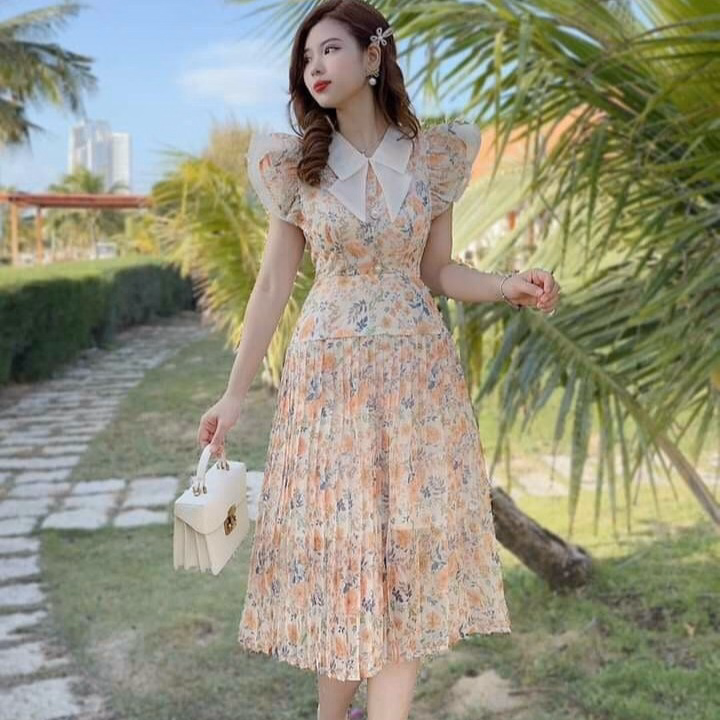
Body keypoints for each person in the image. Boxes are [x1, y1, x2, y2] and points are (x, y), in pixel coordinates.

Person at [196, 1, 560, 718]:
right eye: (306, 58)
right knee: (343, 560)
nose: (315, 67)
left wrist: (505, 286)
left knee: (404, 565)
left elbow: (437, 271)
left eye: (330, 50)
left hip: (417, 382)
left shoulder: (434, 158)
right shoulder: (295, 166)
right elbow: (271, 287)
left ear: (373, 57)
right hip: (328, 385)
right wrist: (233, 396)